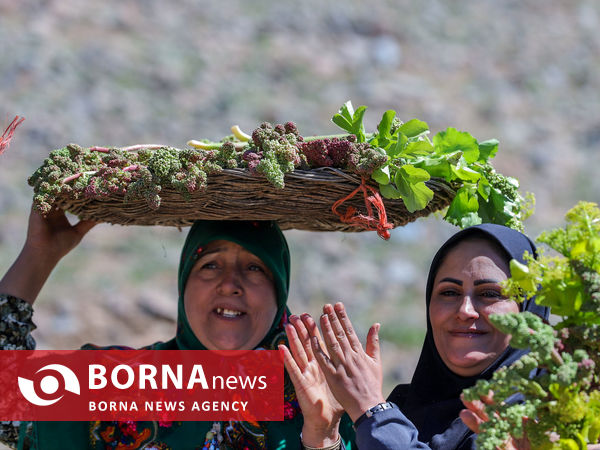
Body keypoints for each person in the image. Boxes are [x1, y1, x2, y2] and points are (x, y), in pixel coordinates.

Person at [0, 208, 354, 449]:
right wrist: (38, 254)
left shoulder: (326, 398)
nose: (230, 283)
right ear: (183, 285)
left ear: (280, 291)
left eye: (255, 268)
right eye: (210, 265)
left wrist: (324, 437)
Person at [283, 224, 550, 449]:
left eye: (490, 294)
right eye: (449, 292)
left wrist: (370, 409)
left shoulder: (546, 419)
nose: (465, 311)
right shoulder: (405, 409)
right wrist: (324, 434)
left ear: (531, 313)